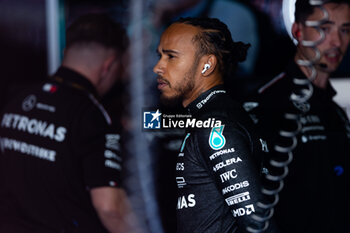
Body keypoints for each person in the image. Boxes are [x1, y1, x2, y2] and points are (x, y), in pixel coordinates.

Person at [0, 14, 134, 233]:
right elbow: (110, 208)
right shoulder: (93, 116)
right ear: (109, 66)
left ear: (66, 53)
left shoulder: (17, 99)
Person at [153, 17, 279, 233]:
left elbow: (258, 225)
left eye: (171, 57)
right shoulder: (209, 116)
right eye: (160, 56)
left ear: (206, 65)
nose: (158, 67)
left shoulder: (216, 123)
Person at [243, 0, 350, 232]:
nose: (337, 42)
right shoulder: (266, 104)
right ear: (298, 32)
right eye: (324, 28)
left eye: (345, 30)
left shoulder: (336, 114)